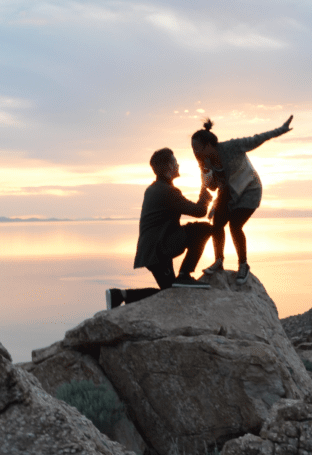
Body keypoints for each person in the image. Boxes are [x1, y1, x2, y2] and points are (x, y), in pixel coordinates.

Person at [106, 147, 214, 309]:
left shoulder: (154, 189)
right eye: (175, 161)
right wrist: (204, 190)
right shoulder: (167, 191)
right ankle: (185, 274)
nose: (178, 164)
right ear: (169, 166)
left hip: (152, 250)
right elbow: (200, 211)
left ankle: (120, 295)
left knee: (169, 292)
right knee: (204, 229)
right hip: (159, 250)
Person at [192, 115, 293, 284]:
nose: (195, 152)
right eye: (193, 149)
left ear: (208, 145)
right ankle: (218, 261)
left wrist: (281, 130)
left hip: (249, 190)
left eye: (197, 148)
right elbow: (212, 187)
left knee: (235, 225)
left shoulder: (232, 147)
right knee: (217, 224)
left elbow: (257, 139)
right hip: (229, 193)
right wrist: (207, 171)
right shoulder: (205, 161)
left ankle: (243, 265)